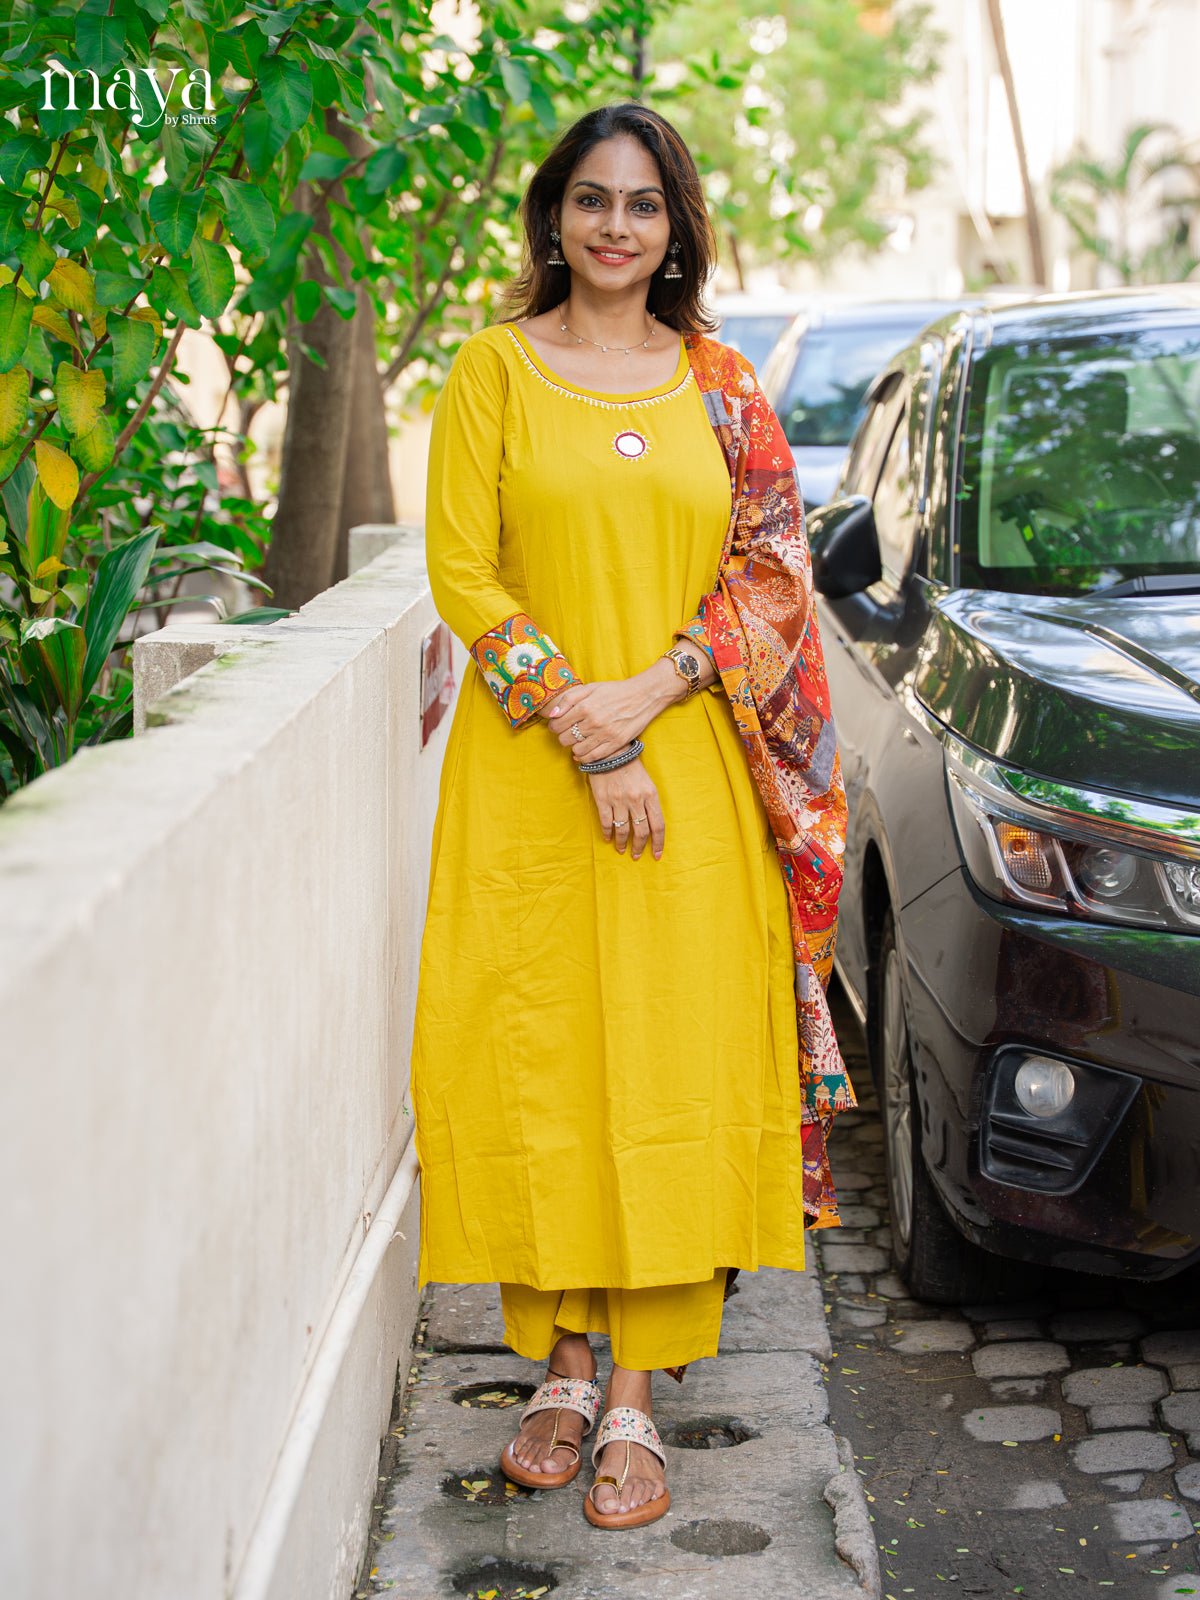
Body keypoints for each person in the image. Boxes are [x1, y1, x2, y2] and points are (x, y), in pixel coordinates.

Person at [411, 101, 853, 1532]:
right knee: (544, 1060)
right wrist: (588, 735)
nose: (615, 226)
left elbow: (774, 573)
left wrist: (650, 694)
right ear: (555, 217)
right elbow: (464, 572)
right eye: (592, 200)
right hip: (533, 781)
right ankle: (558, 1362)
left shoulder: (721, 384)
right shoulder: (492, 368)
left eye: (643, 204)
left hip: (693, 782)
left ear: (677, 229)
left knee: (665, 1070)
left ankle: (640, 1394)